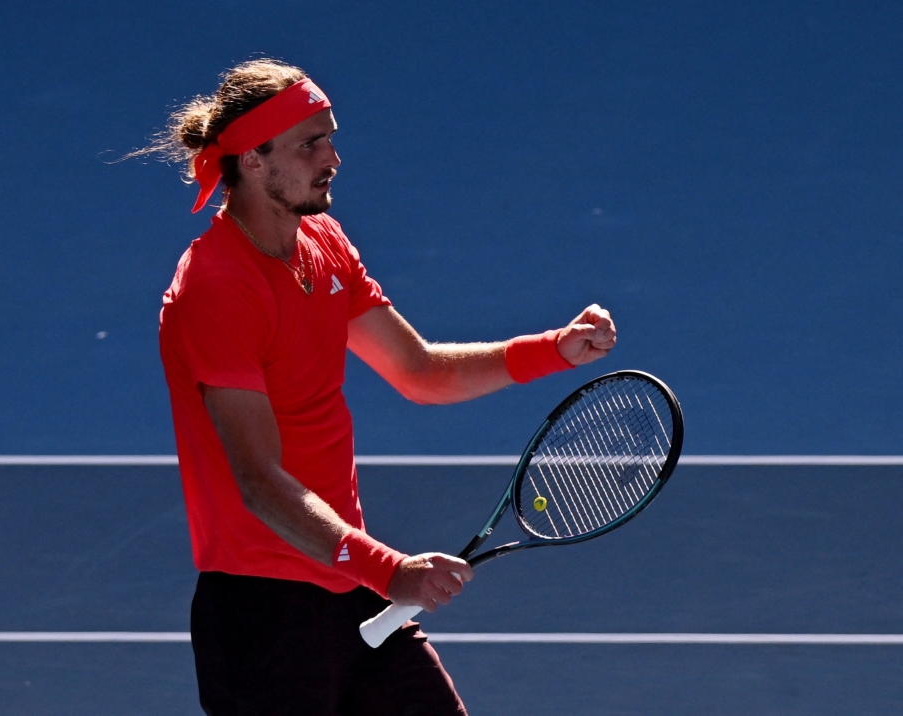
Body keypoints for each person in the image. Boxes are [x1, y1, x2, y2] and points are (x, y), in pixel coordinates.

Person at [153, 59, 617, 715]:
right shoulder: (216, 290)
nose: (332, 157)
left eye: (331, 137)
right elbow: (259, 481)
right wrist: (390, 570)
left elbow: (420, 372)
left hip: (349, 584)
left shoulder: (325, 242)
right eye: (309, 143)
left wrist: (553, 351)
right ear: (253, 160)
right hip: (263, 618)